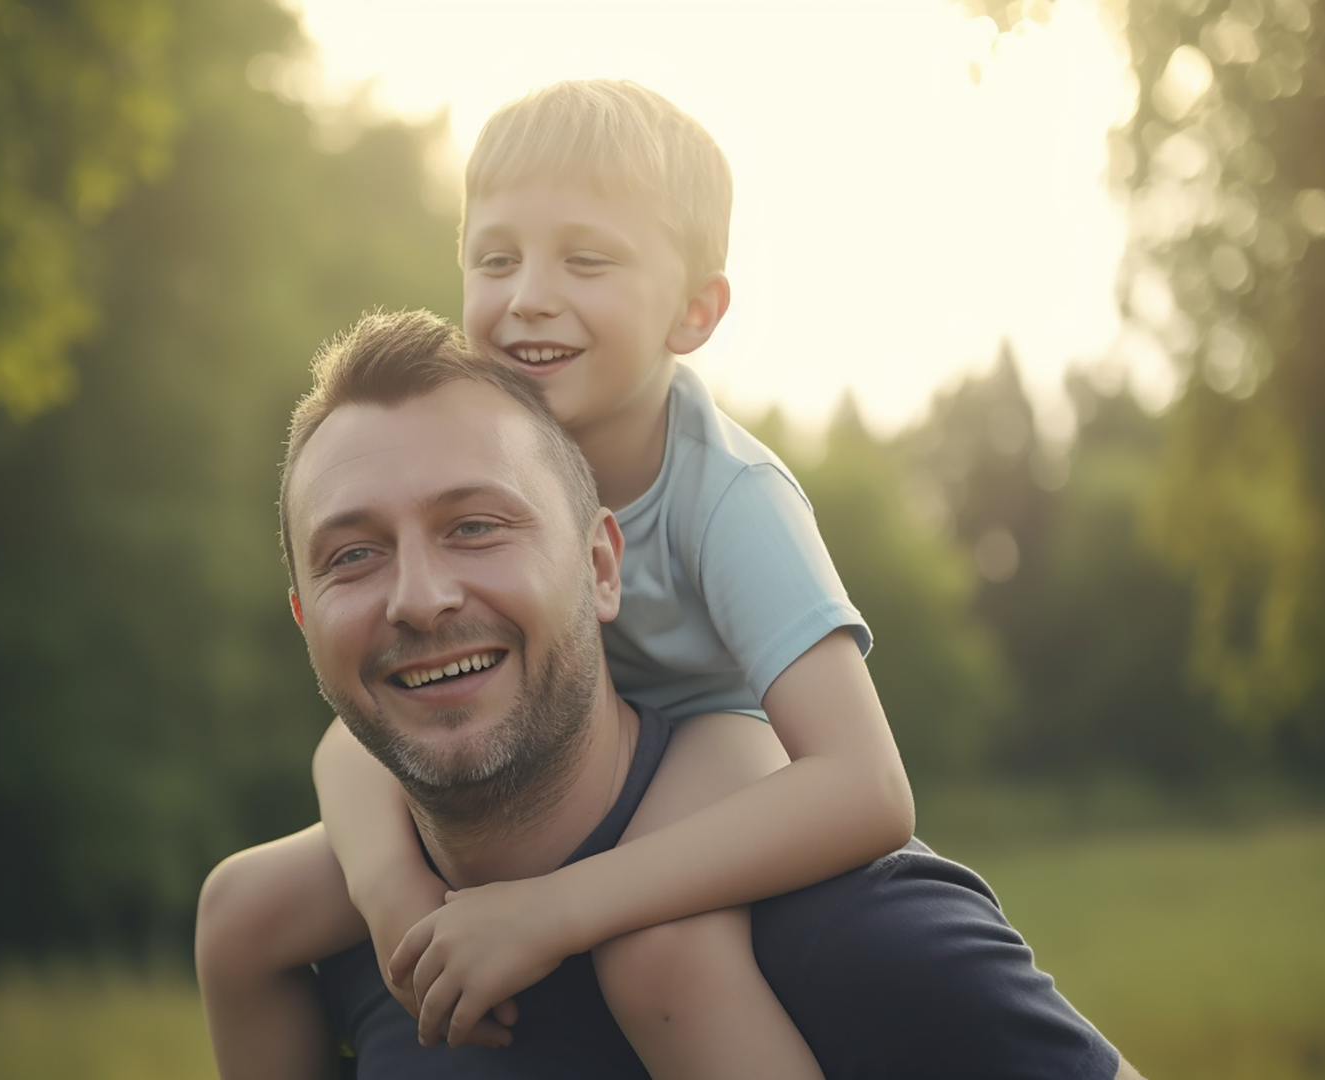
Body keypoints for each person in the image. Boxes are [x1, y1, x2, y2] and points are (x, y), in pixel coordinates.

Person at [200, 79, 918, 1080]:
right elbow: (350, 738)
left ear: (695, 311)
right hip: (550, 749)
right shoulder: (464, 448)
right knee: (240, 910)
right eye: (496, 258)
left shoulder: (729, 494)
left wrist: (558, 909)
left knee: (659, 958)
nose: (528, 293)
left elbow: (869, 788)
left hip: (714, 740)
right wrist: (392, 891)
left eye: (586, 259)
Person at [273, 308, 1140, 1078]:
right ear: (305, 618)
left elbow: (868, 786)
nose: (419, 598)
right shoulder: (355, 966)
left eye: (475, 527)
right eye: (353, 553)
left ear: (602, 567)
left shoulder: (872, 947)